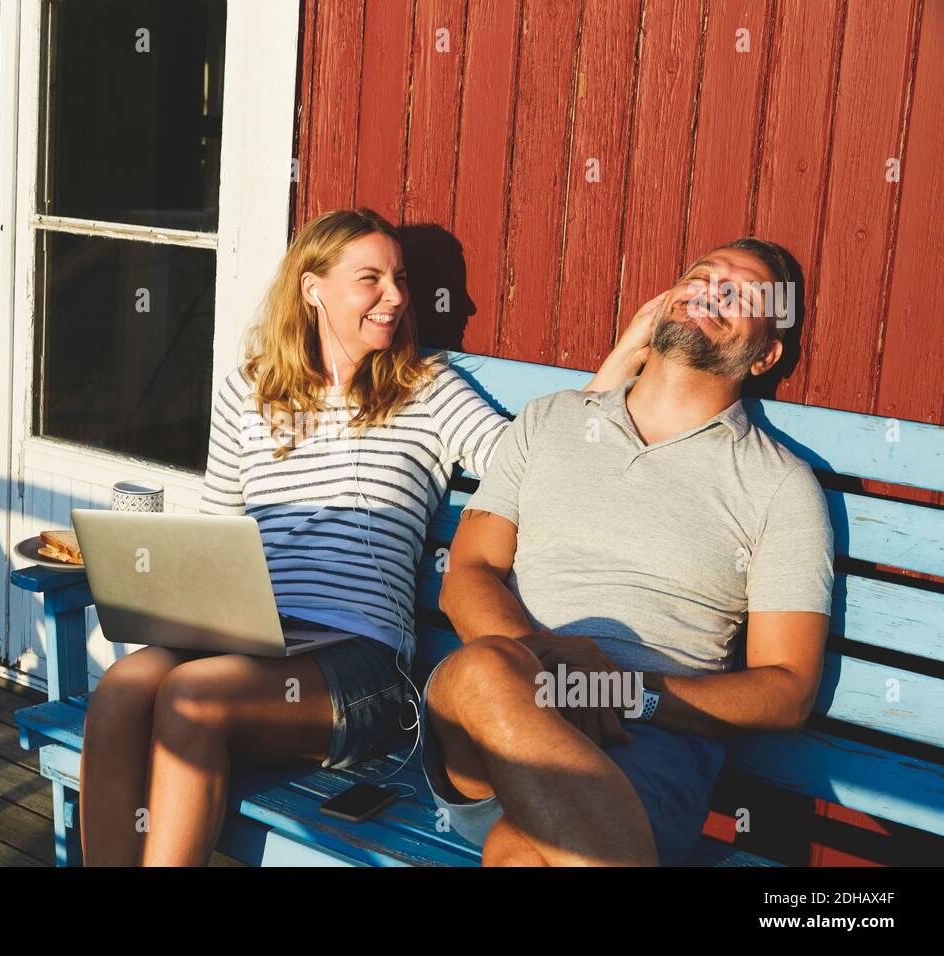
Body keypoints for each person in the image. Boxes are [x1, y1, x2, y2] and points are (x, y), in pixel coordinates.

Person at [79, 207, 650, 866]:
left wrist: (612, 370)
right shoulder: (249, 390)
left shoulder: (426, 390)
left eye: (400, 279)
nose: (396, 297)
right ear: (312, 288)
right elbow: (217, 526)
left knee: (191, 698)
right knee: (122, 688)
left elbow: (527, 461)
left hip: (360, 666)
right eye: (370, 279)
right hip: (252, 638)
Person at [425, 238, 834, 866]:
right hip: (492, 722)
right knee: (478, 672)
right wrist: (553, 672)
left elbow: (788, 692)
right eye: (699, 277)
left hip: (644, 740)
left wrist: (620, 690)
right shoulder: (549, 422)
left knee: (521, 852)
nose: (710, 291)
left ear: (766, 355)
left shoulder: (779, 485)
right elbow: (468, 573)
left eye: (741, 294)